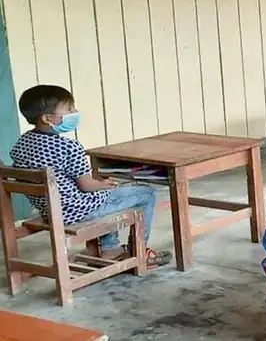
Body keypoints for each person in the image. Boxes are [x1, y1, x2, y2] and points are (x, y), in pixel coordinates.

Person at [10, 85, 172, 268]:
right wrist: (104, 184)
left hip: (51, 210)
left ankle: (110, 249)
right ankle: (139, 251)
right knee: (145, 193)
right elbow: (86, 185)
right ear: (47, 118)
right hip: (78, 210)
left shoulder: (22, 144)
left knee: (106, 196)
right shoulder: (69, 147)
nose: (75, 112)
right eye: (69, 109)